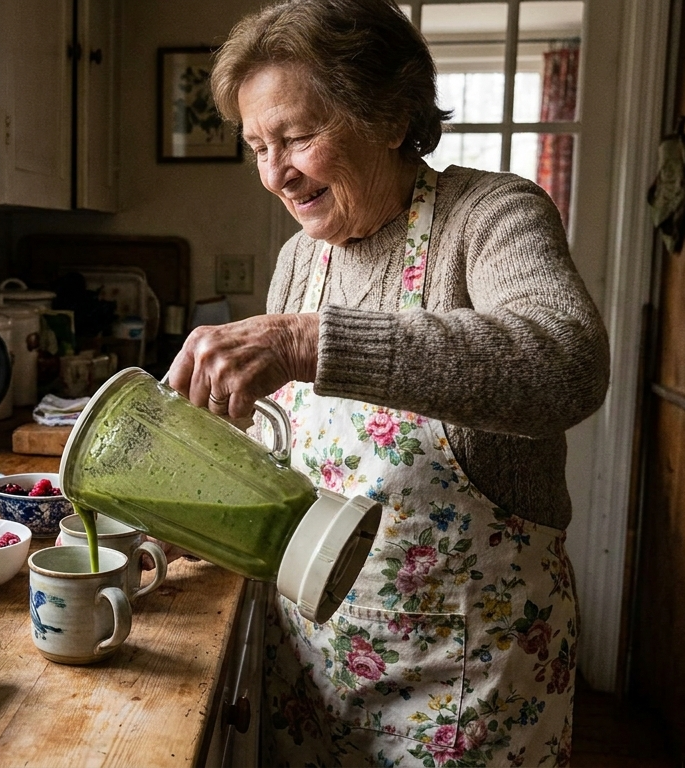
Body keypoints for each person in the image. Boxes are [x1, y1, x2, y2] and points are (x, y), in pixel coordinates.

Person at [164, 1, 609, 765]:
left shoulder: (491, 215)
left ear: (392, 115)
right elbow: (278, 455)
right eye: (258, 147)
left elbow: (565, 362)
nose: (276, 173)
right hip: (312, 665)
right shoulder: (300, 261)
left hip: (468, 684)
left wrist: (307, 339)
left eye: (299, 136)